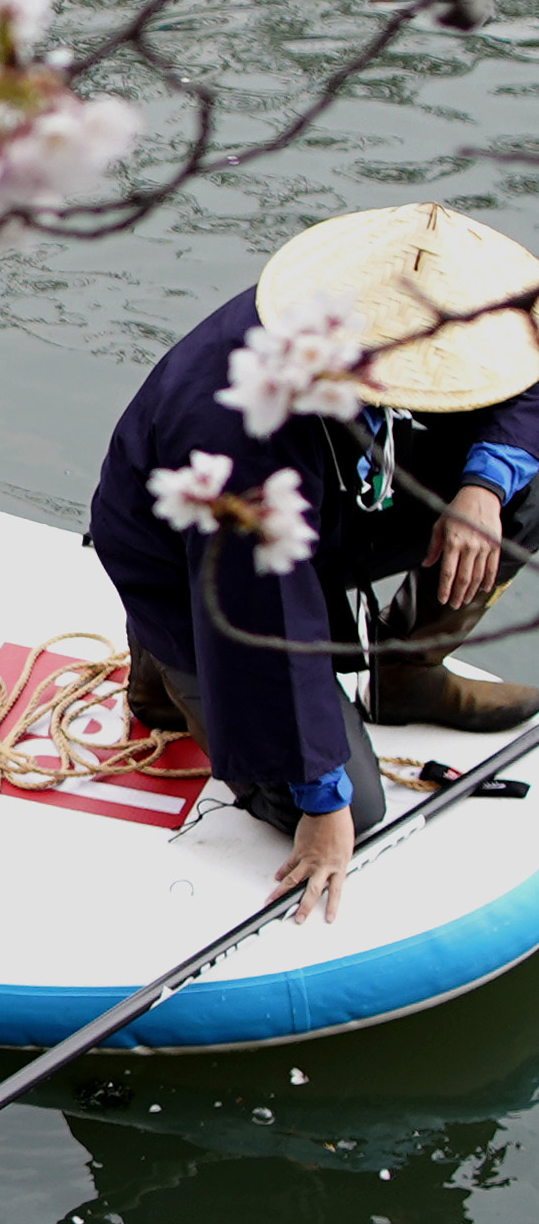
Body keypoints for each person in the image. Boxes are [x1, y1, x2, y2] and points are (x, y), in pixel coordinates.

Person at [90, 202, 539, 926]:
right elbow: (263, 624)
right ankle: (168, 670)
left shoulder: (451, 312)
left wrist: (482, 488)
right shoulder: (233, 432)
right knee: (353, 808)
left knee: (527, 485)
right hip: (204, 564)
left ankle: (407, 674)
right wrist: (322, 805)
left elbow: (528, 378)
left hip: (339, 496)